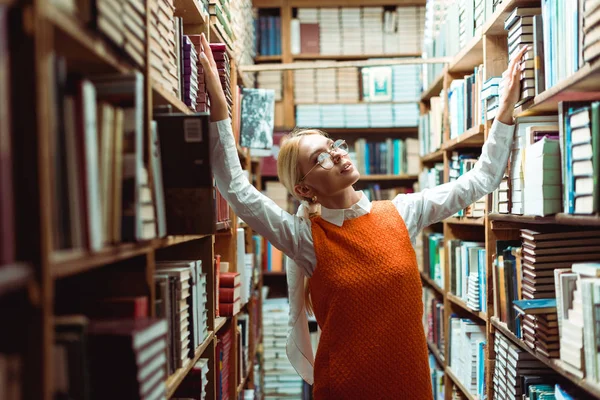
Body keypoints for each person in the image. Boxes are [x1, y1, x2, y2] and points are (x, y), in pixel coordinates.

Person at [198, 33, 528, 399]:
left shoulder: (402, 213)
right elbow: (237, 190)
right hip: (344, 390)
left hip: (412, 388)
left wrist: (504, 112)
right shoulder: (306, 238)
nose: (338, 154)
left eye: (334, 146)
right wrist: (218, 101)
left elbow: (481, 179)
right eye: (319, 158)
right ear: (305, 189)